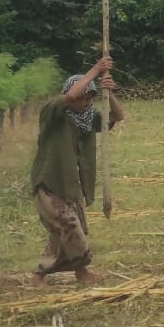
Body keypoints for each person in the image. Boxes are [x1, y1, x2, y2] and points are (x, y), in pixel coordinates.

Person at [31, 56, 125, 287]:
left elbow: (118, 116)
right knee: (71, 228)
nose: (85, 101)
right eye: (83, 97)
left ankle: (42, 275)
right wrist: (97, 68)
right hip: (50, 184)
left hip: (73, 186)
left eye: (89, 97)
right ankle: (82, 270)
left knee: (65, 233)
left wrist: (108, 92)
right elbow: (71, 97)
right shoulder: (53, 112)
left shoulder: (88, 119)